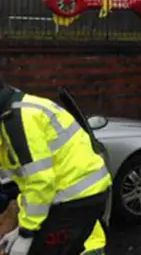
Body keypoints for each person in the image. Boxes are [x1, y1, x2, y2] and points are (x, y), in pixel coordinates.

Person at [0, 82, 112, 255]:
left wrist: (26, 233)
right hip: (69, 199)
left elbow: (40, 181)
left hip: (73, 200)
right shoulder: (14, 112)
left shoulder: (17, 120)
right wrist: (22, 228)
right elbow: (29, 181)